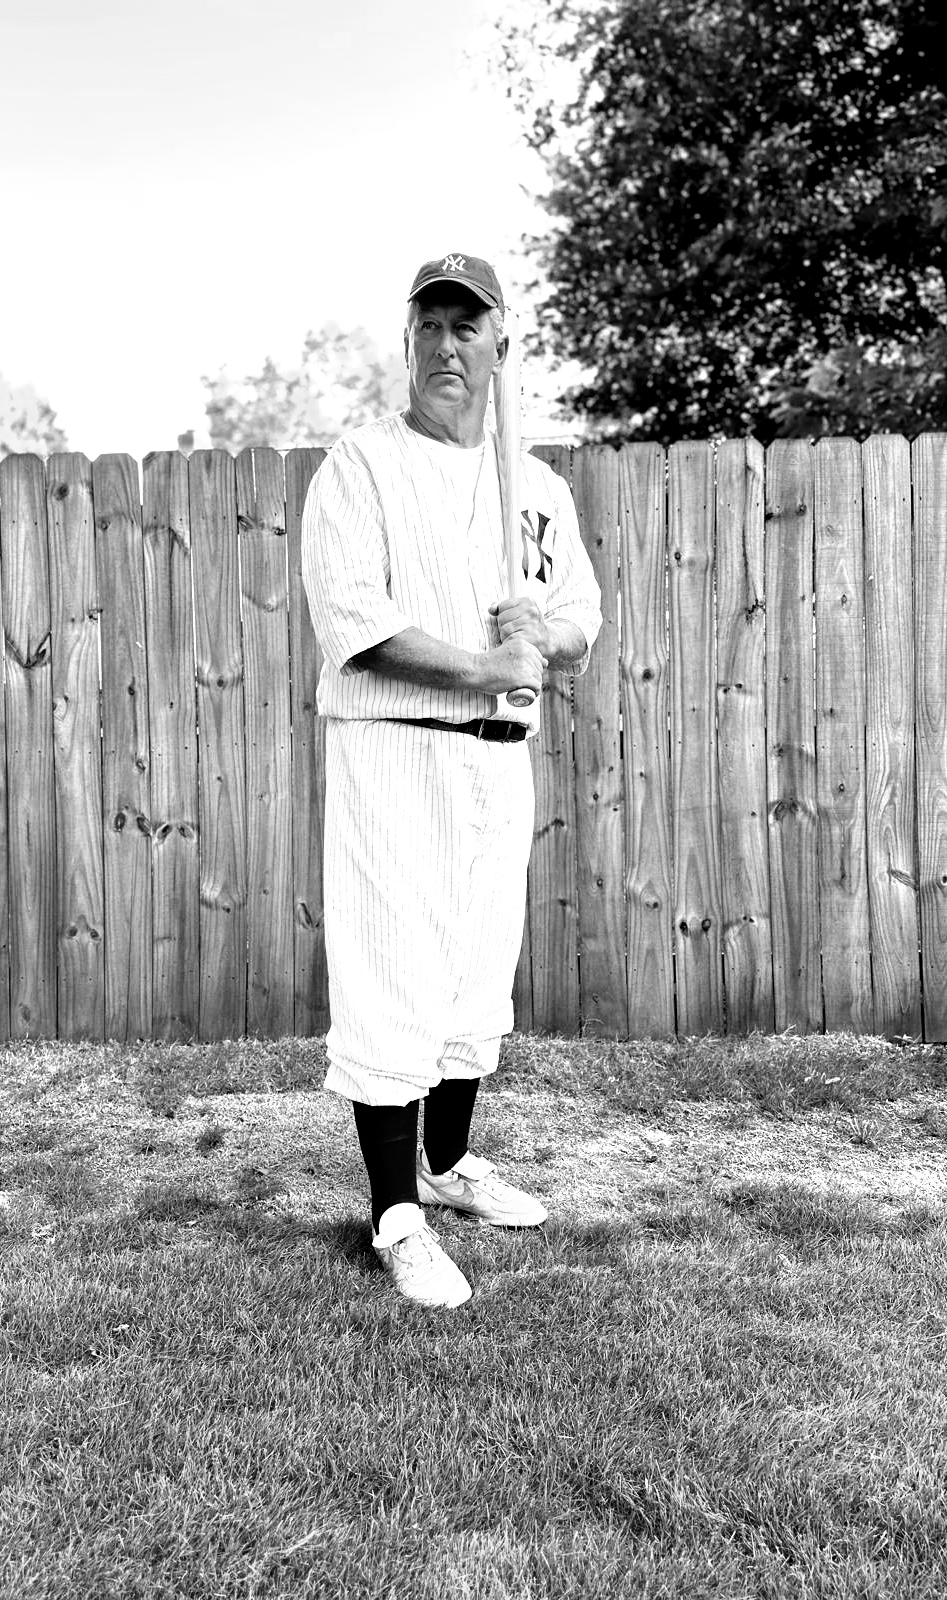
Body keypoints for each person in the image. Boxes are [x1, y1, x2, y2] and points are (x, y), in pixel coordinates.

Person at [301, 253, 602, 1309]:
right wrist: (482, 662)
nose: (445, 346)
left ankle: (447, 1163)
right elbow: (355, 620)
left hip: (496, 758)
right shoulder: (363, 465)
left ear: (500, 345)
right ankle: (395, 1215)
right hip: (399, 747)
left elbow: (581, 613)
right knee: (397, 966)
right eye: (429, 326)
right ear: (408, 340)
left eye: (466, 328)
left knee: (477, 967)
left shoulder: (539, 487)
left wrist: (545, 635)